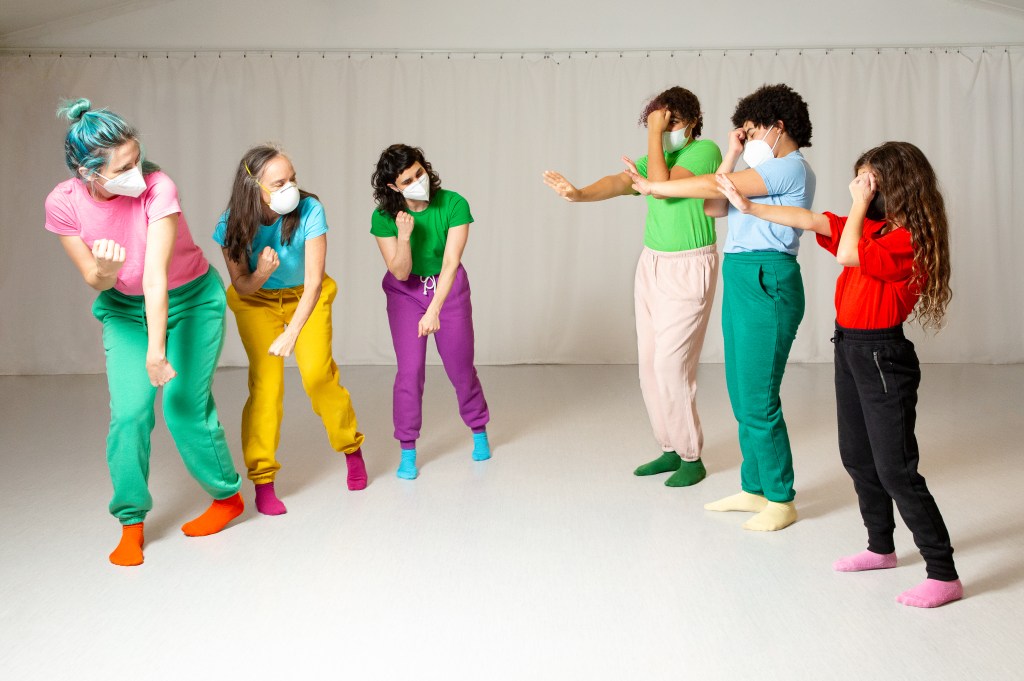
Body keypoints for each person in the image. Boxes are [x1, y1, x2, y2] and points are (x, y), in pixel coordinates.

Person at [716, 141, 962, 607]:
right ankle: (881, 547)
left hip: (883, 356)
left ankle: (943, 573)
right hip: (849, 349)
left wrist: (859, 203)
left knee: (896, 470)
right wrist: (750, 207)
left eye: (870, 182)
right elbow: (810, 220)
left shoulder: (906, 239)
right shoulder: (869, 227)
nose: (860, 188)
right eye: (860, 180)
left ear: (895, 186)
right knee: (857, 458)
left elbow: (848, 253)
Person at [44, 98, 244, 566]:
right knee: (130, 415)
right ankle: (130, 522)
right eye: (122, 168)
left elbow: (156, 277)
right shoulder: (63, 202)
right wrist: (106, 271)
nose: (137, 171)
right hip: (124, 310)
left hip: (191, 300)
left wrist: (157, 353)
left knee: (182, 406)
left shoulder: (158, 188)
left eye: (137, 158)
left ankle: (227, 497)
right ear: (87, 172)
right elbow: (94, 279)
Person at [625, 83, 815, 531]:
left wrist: (655, 185)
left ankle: (781, 499)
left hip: (768, 275)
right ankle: (754, 488)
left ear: (778, 126)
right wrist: (732, 153)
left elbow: (715, 185)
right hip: (741, 273)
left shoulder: (791, 168)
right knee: (741, 392)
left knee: (759, 398)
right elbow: (714, 207)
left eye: (751, 131)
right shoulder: (754, 168)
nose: (747, 139)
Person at [543, 86, 722, 487]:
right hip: (652, 264)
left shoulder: (703, 151)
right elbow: (620, 181)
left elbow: (659, 186)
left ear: (693, 121)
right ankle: (670, 447)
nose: (665, 130)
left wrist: (654, 133)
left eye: (672, 122)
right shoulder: (660, 156)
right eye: (659, 122)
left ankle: (691, 457)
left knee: (671, 366)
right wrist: (579, 194)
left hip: (689, 265)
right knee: (649, 366)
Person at [213, 145, 367, 515]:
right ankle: (263, 480)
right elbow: (241, 285)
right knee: (266, 388)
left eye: (292, 179)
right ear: (254, 188)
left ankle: (351, 448)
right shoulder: (232, 224)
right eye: (279, 183)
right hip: (257, 301)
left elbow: (314, 283)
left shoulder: (311, 210)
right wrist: (261, 274)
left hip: (305, 297)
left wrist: (292, 332)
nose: (290, 188)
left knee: (318, 376)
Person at [370, 144, 490, 479]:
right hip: (405, 293)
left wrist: (435, 308)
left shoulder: (454, 204)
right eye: (407, 180)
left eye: (419, 173)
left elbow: (451, 263)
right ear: (394, 186)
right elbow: (400, 272)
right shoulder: (384, 218)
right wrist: (404, 237)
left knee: (460, 367)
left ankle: (478, 429)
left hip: (447, 289)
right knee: (410, 372)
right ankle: (408, 449)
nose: (417, 182)